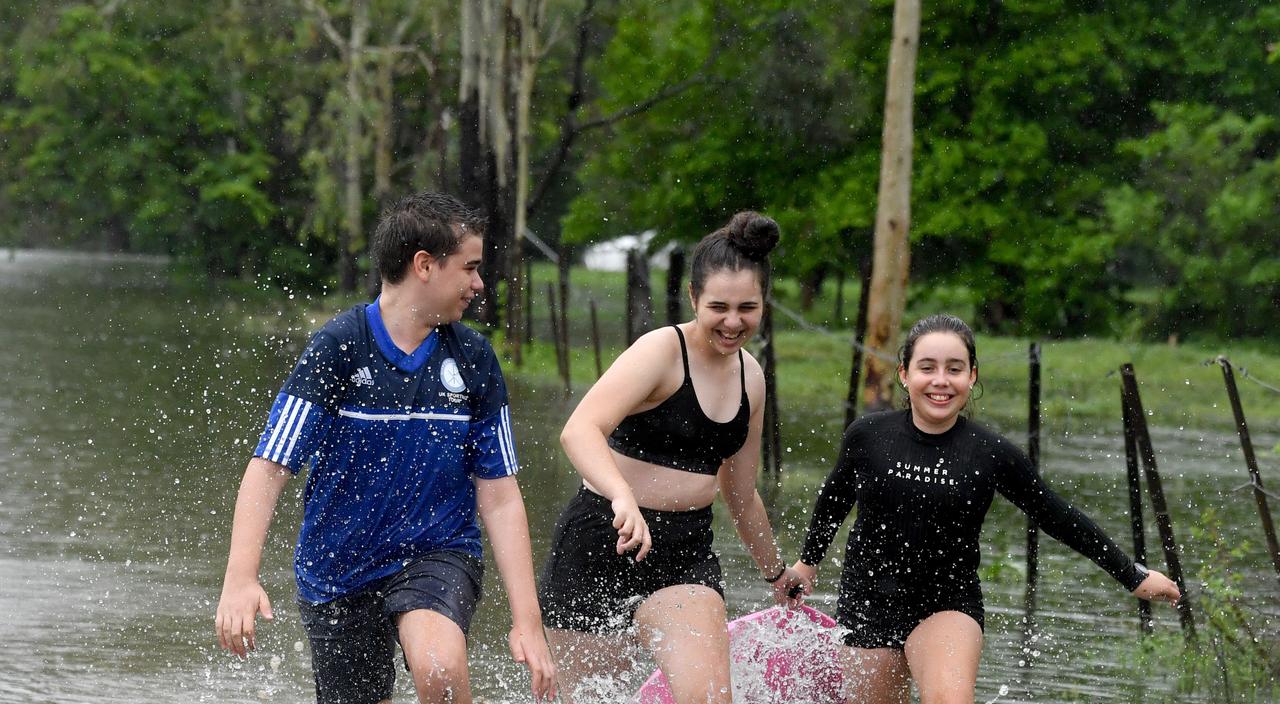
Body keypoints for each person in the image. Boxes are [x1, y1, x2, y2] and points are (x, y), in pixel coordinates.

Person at [214, 192, 556, 704]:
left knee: (439, 669)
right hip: (337, 568)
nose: (479, 284)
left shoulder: (475, 359)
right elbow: (269, 468)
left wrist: (527, 620)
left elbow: (501, 494)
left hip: (437, 553)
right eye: (469, 268)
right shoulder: (338, 348)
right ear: (424, 265)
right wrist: (240, 577)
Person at [793, 314, 1182, 704]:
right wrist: (806, 565)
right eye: (927, 368)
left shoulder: (990, 453)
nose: (941, 381)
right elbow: (833, 501)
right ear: (904, 374)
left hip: (946, 605)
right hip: (868, 602)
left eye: (955, 369)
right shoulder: (867, 436)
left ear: (972, 377)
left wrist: (1131, 574)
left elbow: (1056, 515)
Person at [537, 212, 806, 704]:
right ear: (692, 298)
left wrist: (775, 573)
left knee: (707, 697)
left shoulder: (753, 379)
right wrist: (622, 497)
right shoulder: (662, 350)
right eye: (719, 306)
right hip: (602, 539)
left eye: (747, 308)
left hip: (685, 552)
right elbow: (579, 430)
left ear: (764, 304)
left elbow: (741, 495)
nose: (733, 322)